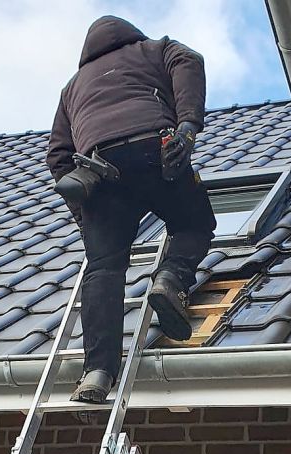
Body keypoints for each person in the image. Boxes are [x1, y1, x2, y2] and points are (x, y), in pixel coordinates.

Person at [46, 15, 216, 404]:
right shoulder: (155, 49)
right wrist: (187, 128)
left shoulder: (72, 87)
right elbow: (189, 61)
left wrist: (83, 212)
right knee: (195, 222)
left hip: (98, 169)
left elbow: (57, 155)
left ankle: (98, 372)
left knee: (103, 267)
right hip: (153, 150)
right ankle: (170, 280)